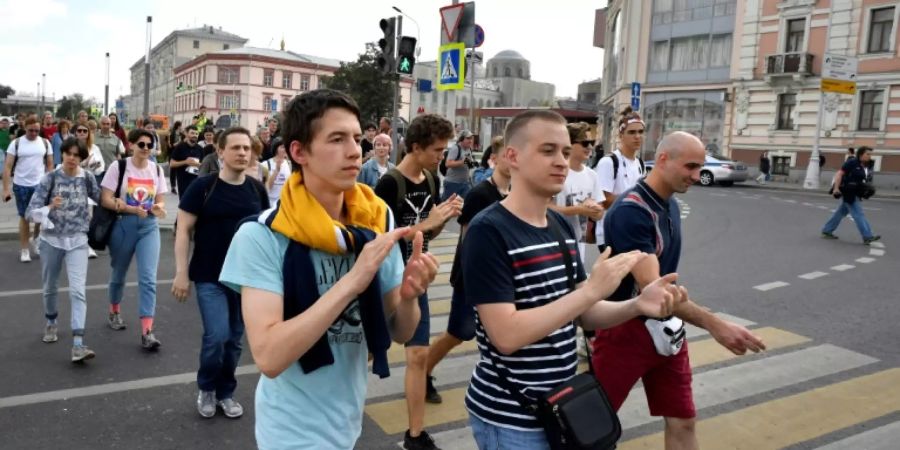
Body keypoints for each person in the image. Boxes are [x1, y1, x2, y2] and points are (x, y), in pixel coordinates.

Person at [218, 88, 437, 449]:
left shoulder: (374, 216)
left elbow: (399, 330)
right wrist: (353, 281)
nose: (355, 150)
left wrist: (411, 297)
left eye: (355, 137)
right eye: (336, 139)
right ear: (299, 152)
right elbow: (270, 356)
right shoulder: (262, 235)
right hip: (290, 432)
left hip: (347, 419)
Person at [462, 110, 682, 448]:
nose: (562, 161)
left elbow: (585, 313)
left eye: (566, 152)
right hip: (510, 418)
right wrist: (592, 291)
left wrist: (637, 304)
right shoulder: (488, 231)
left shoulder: (560, 224)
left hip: (561, 405)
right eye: (547, 151)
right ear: (512, 157)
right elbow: (505, 335)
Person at [594, 131, 766, 450]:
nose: (696, 176)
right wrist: (717, 324)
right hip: (625, 333)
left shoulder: (668, 203)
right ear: (662, 160)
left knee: (683, 421)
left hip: (668, 330)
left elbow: (666, 290)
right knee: (593, 426)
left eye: (700, 167)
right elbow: (655, 291)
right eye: (690, 166)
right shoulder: (632, 211)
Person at [374, 113, 462, 450]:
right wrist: (428, 222)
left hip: (414, 276)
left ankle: (414, 435)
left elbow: (430, 233)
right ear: (415, 146)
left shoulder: (430, 179)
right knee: (365, 351)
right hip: (384, 281)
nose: (441, 157)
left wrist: (443, 218)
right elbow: (382, 238)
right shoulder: (388, 184)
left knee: (417, 356)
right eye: (437, 150)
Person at [173, 126, 270, 419]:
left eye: (247, 148)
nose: (243, 153)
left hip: (246, 280)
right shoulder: (203, 187)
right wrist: (181, 273)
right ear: (220, 152)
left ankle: (225, 392)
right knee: (217, 335)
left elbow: (267, 233)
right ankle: (206, 388)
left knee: (235, 341)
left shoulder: (256, 190)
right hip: (209, 275)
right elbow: (183, 231)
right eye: (236, 148)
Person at [424, 135, 511, 405]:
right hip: (471, 278)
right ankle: (422, 372)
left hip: (501, 278)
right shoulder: (480, 194)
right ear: (494, 159)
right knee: (459, 332)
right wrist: (470, 277)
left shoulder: (515, 192)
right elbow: (466, 239)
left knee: (502, 334)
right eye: (508, 155)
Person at [25, 137, 101, 362]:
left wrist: (124, 203)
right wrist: (49, 206)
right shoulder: (50, 178)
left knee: (78, 291)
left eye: (77, 155)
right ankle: (51, 321)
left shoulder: (86, 178)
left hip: (78, 240)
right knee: (50, 287)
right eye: (68, 153)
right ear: (63, 154)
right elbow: (30, 212)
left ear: (82, 158)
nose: (72, 158)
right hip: (51, 240)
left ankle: (78, 344)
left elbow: (101, 198)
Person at [99, 129, 169, 349]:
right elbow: (106, 199)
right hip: (123, 225)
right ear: (131, 146)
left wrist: (158, 207)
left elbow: (161, 200)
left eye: (150, 145)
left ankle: (147, 331)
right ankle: (114, 310)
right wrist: (130, 208)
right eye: (142, 144)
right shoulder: (118, 167)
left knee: (148, 278)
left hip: (149, 226)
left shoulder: (156, 169)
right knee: (119, 273)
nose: (146, 148)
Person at [550, 122, 604, 262]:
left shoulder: (592, 175)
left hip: (579, 248)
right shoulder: (557, 171)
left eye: (592, 142)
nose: (590, 147)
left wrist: (595, 211)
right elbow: (546, 208)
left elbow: (599, 215)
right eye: (585, 143)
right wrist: (579, 209)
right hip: (553, 245)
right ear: (570, 144)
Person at [595, 107, 647, 253]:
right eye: (631, 132)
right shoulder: (609, 162)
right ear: (621, 134)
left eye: (640, 132)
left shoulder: (640, 163)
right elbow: (604, 199)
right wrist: (637, 202)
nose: (637, 136)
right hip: (611, 234)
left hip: (633, 232)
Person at [3, 116, 54, 262]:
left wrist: (50, 184)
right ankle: (24, 249)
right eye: (31, 130)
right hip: (21, 185)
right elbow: (7, 167)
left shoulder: (45, 143)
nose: (34, 133)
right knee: (25, 217)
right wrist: (5, 189)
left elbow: (50, 165)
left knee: (39, 216)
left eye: (37, 130)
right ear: (25, 128)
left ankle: (36, 239)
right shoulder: (16, 143)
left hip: (40, 185)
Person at [822, 146, 880, 245]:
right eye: (868, 154)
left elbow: (857, 179)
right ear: (861, 154)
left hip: (854, 192)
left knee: (840, 213)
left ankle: (827, 230)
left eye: (870, 154)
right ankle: (867, 236)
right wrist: (836, 188)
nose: (869, 156)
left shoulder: (862, 164)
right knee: (858, 214)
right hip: (848, 192)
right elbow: (839, 174)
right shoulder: (852, 162)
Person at [170, 125, 204, 198]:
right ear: (187, 134)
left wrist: (198, 164)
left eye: (196, 134)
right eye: (192, 133)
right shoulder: (180, 147)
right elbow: (172, 164)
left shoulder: (200, 149)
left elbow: (204, 166)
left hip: (197, 181)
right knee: (184, 205)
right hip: (183, 181)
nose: (194, 135)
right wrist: (185, 162)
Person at [442, 130, 475, 201]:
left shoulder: (468, 149)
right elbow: (448, 164)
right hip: (453, 183)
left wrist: (472, 164)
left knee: (466, 205)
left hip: (465, 183)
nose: (470, 141)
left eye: (471, 138)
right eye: (468, 138)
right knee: (449, 205)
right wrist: (462, 162)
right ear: (462, 139)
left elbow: (469, 164)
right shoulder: (456, 148)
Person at [263, 138, 291, 204]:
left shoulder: (289, 163)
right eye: (282, 147)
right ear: (276, 149)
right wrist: (277, 170)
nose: (285, 149)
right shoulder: (266, 164)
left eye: (286, 147)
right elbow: (266, 188)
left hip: (284, 203)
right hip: (271, 203)